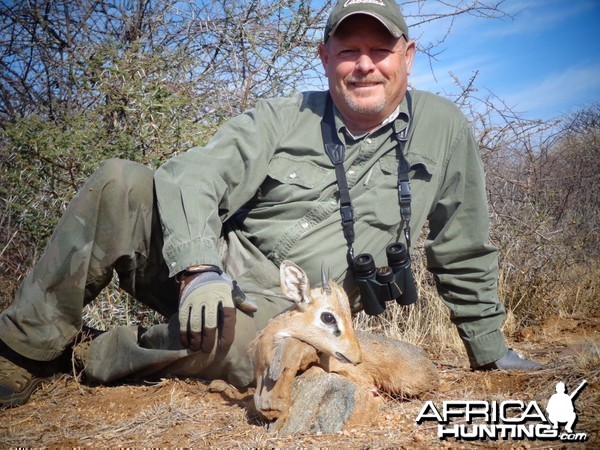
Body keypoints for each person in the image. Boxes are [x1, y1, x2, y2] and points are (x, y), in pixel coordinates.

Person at [0, 0, 541, 408]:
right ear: (324, 56)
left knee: (245, 342)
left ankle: (87, 354)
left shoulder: (445, 128)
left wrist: (487, 346)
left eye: (380, 51)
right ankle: (25, 349)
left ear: (408, 55)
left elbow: (463, 244)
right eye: (348, 51)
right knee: (121, 182)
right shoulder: (284, 114)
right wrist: (197, 266)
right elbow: (194, 172)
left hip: (297, 307)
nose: (365, 66)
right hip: (210, 269)